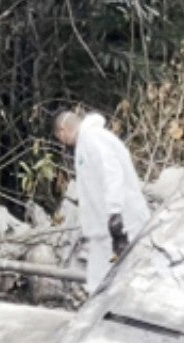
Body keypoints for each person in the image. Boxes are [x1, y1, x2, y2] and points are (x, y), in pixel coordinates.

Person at [54, 109, 150, 290]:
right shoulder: (86, 142)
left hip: (120, 221)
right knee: (101, 279)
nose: (62, 142)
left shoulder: (93, 138)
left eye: (60, 138)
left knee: (127, 273)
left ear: (62, 131)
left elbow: (111, 173)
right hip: (103, 227)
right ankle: (99, 311)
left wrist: (115, 213)